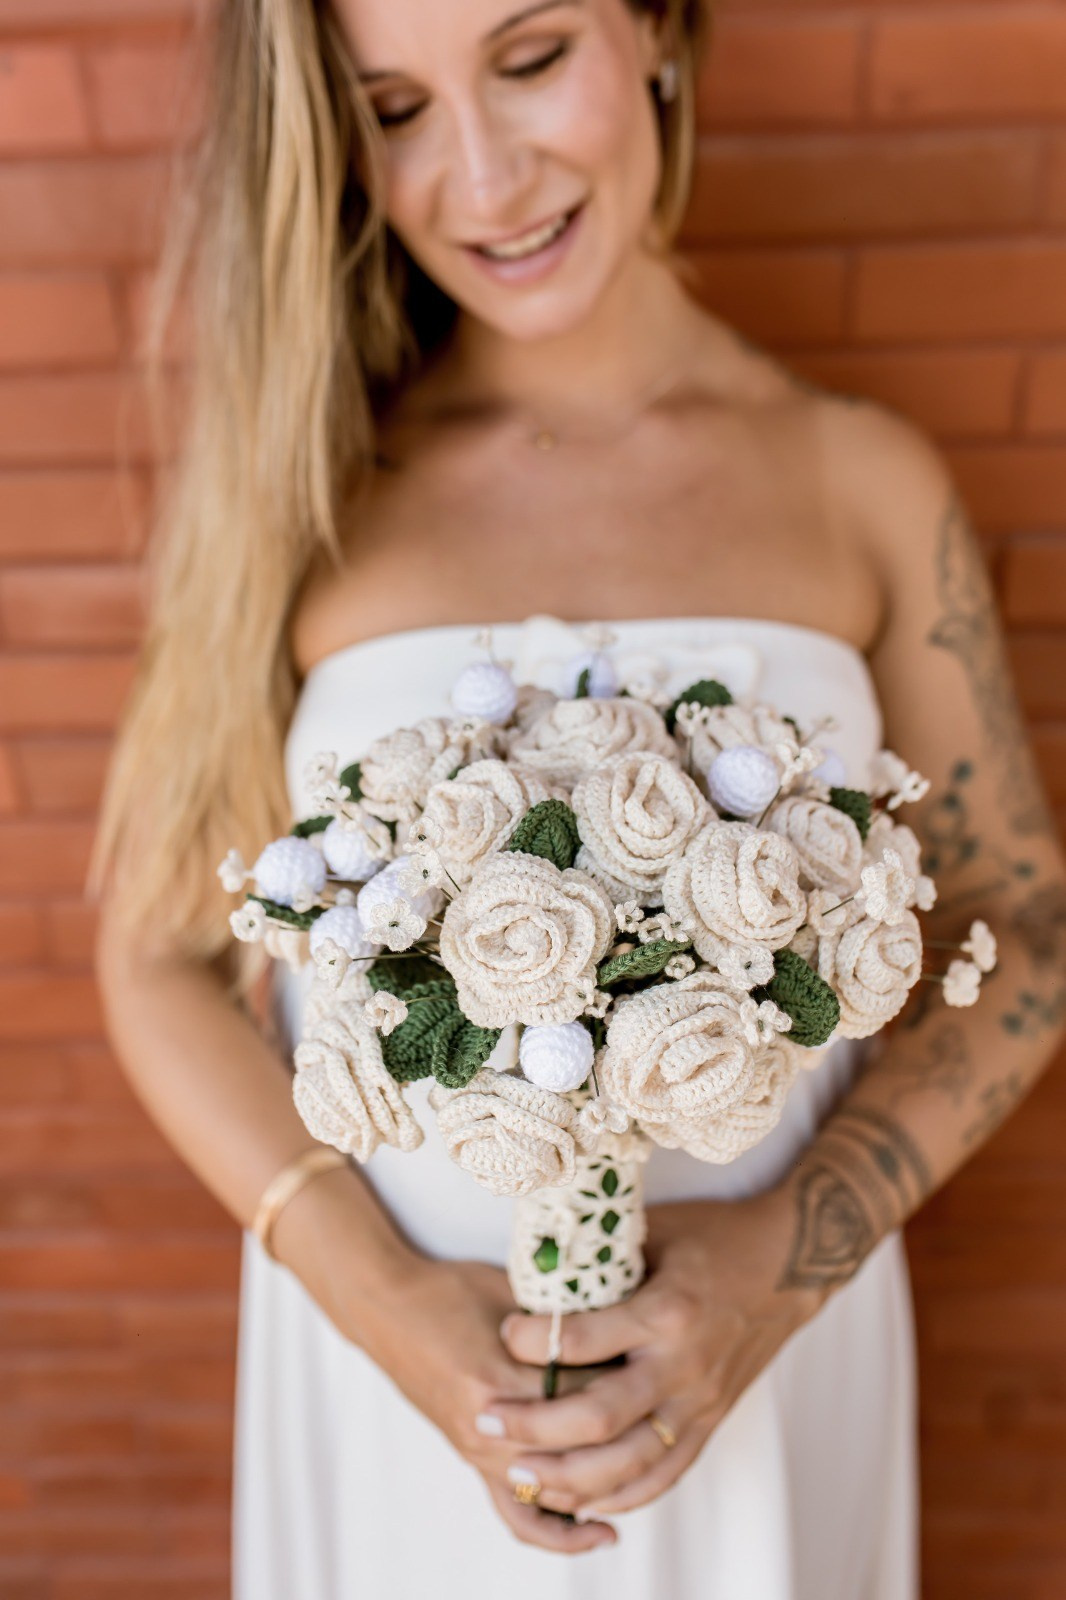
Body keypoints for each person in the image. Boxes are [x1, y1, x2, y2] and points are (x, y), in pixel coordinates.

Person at [88, 0, 1066, 1594]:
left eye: (531, 60)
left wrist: (780, 1263)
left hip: (763, 1359)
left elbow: (1021, 924)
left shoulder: (860, 477)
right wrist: (386, 1306)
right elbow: (154, 959)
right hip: (388, 1377)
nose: (482, 178)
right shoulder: (307, 487)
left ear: (661, 34)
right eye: (393, 108)